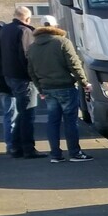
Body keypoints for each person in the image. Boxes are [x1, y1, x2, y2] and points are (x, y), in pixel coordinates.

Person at [27, 15, 92, 163]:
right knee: (70, 121)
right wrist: (84, 83)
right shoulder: (62, 42)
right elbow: (74, 65)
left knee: (53, 122)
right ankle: (75, 153)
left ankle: (55, 155)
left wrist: (40, 89)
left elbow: (31, 71)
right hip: (65, 87)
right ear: (55, 26)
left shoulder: (32, 47)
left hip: (47, 89)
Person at [0, 6, 41, 158]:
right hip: (23, 78)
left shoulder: (5, 30)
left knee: (21, 112)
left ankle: (15, 147)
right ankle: (28, 148)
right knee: (28, 113)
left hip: (9, 76)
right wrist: (34, 76)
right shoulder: (25, 31)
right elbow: (26, 56)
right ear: (27, 18)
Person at [0, 21, 17, 156]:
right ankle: (11, 144)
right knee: (11, 115)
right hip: (8, 86)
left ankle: (11, 144)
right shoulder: (3, 47)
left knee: (10, 114)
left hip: (3, 86)